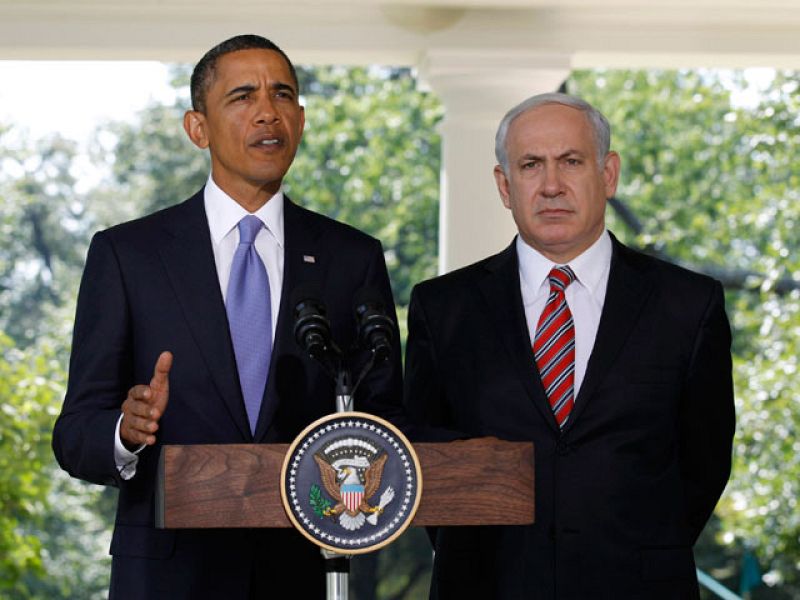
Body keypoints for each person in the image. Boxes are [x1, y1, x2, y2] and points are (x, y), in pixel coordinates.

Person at [52, 34, 402, 599]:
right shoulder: (128, 255)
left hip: (301, 573)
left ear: (301, 121)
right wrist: (125, 430)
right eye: (243, 96)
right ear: (198, 128)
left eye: (282, 95)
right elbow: (74, 434)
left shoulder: (351, 258)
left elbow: (386, 420)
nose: (268, 112)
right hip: (167, 576)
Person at [403, 93, 735, 599]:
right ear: (504, 186)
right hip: (486, 586)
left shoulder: (687, 305)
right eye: (531, 165)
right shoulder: (443, 308)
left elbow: (705, 463)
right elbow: (428, 458)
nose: (551, 185)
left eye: (571, 161)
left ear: (608, 174)